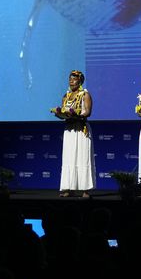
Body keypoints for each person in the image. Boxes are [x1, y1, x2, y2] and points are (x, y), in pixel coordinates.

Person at [54, 70, 96, 198]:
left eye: (74, 79)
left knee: (83, 157)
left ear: (80, 81)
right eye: (70, 78)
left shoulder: (85, 94)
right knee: (69, 158)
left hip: (81, 129)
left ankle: (86, 190)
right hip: (69, 130)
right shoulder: (66, 96)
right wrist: (60, 114)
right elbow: (63, 111)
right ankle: (68, 188)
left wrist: (77, 115)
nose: (71, 81)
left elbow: (88, 112)